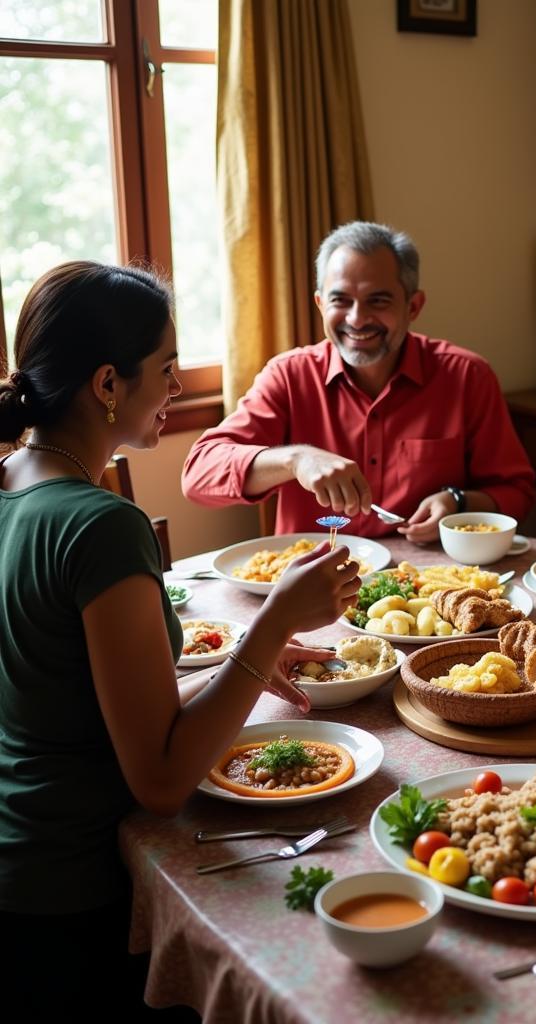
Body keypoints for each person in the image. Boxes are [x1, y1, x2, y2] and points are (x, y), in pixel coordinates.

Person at [0, 262, 360, 1012]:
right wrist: (271, 625)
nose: (173, 387)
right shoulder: (100, 526)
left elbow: (74, 695)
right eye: (166, 369)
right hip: (76, 894)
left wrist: (239, 662)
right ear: (107, 384)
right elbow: (161, 782)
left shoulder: (11, 486)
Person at [181, 221, 535, 543]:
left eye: (377, 301)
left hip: (428, 588)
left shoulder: (467, 377)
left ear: (413, 306)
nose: (357, 318)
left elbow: (516, 493)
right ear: (321, 304)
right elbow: (198, 476)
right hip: (310, 587)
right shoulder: (289, 376)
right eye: (340, 300)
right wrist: (295, 460)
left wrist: (458, 502)